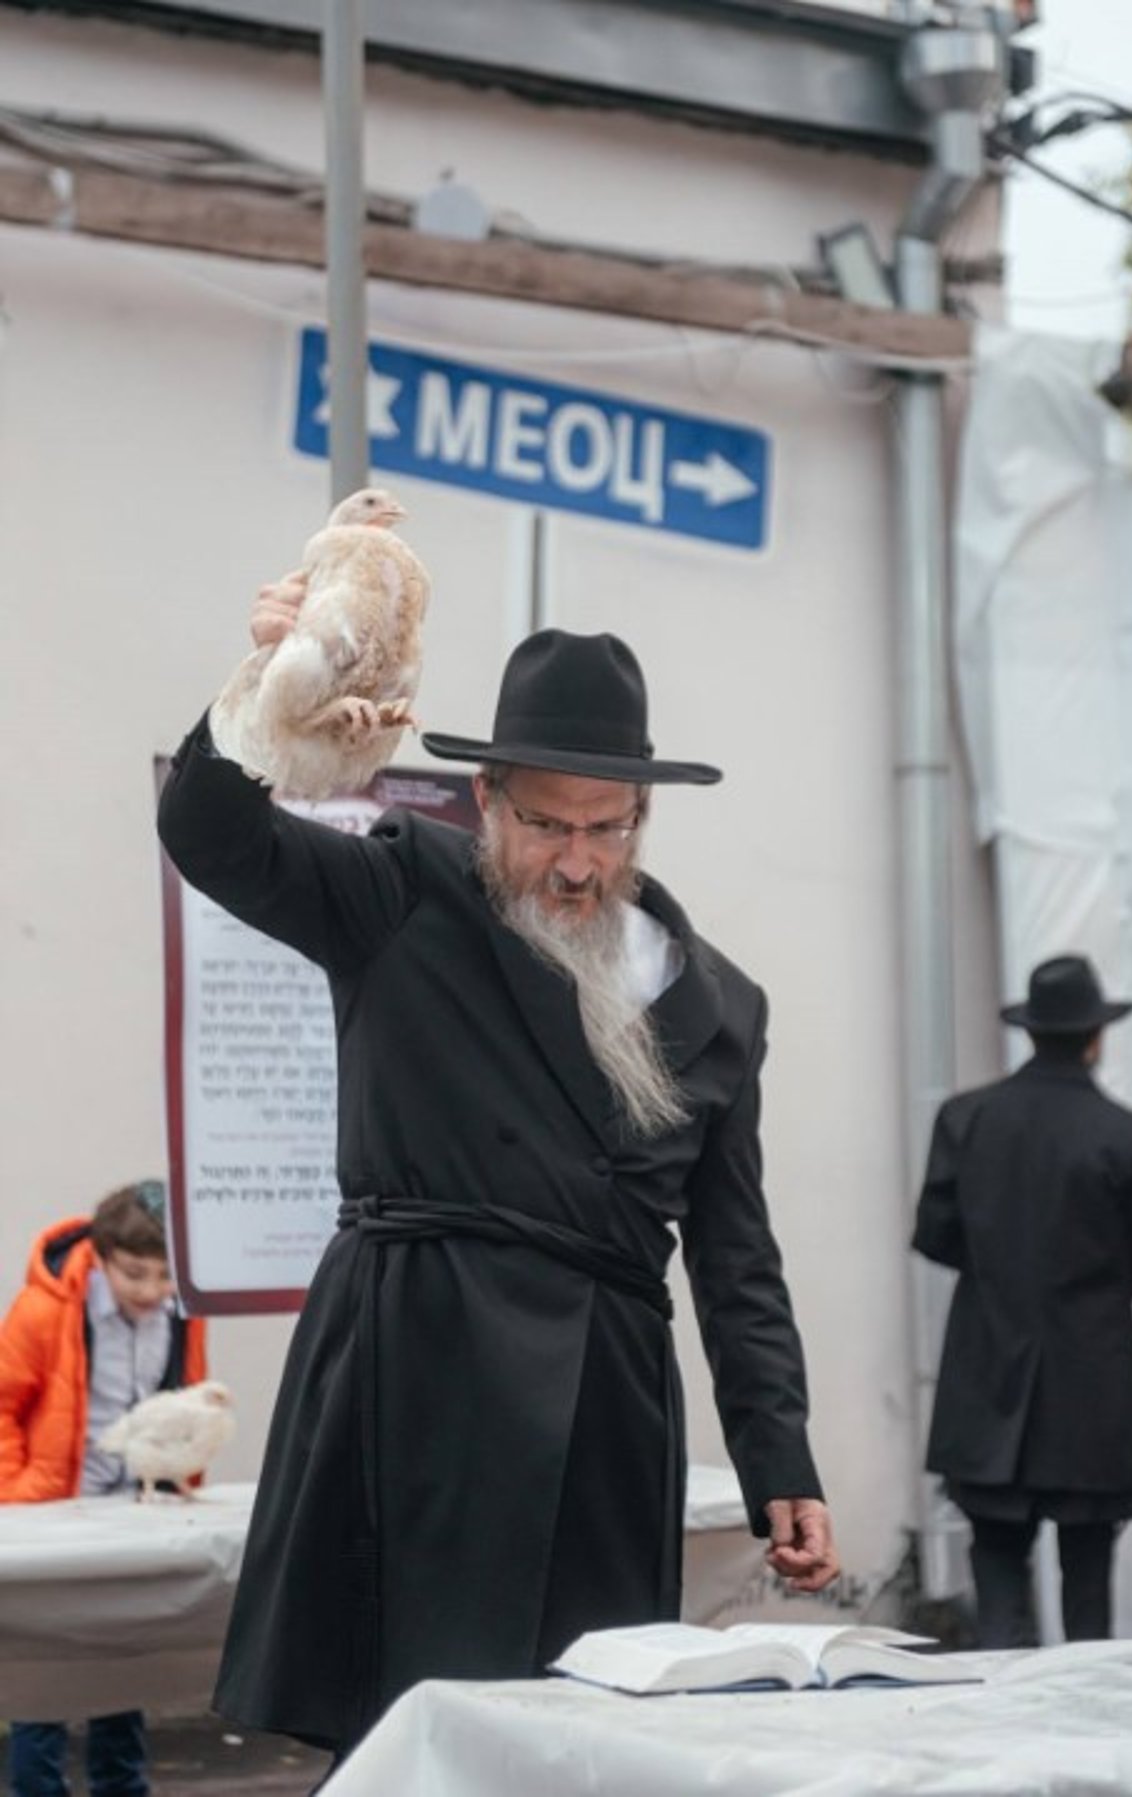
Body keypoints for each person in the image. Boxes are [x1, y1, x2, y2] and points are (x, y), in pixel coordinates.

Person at [157, 602, 839, 1770]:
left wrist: (782, 1459)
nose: (576, 862)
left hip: (607, 1413)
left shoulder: (723, 1005)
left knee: (582, 1737)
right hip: (414, 1365)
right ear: (484, 802)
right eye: (544, 824)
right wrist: (272, 682)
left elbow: (736, 1259)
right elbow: (211, 834)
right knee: (400, 1734)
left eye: (607, 829)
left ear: (642, 819)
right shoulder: (400, 897)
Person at [913, 954, 1132, 1648]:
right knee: (1088, 1595)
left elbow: (933, 1237)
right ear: (1095, 1036)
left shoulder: (965, 1117)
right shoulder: (1124, 1134)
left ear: (1032, 1032)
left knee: (1001, 1586)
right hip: (1091, 1399)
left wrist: (1006, 1267)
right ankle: (1080, 1747)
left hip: (988, 1389)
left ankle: (1005, 1742)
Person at [0, 1181, 207, 1797]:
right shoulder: (45, 1311)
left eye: (165, 1276)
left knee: (124, 1664)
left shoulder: (181, 1311)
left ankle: (124, 1788)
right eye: (135, 1274)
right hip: (55, 1513)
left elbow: (186, 1390)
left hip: (134, 1509)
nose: (151, 1291)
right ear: (101, 1255)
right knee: (49, 1671)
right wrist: (17, 1494)